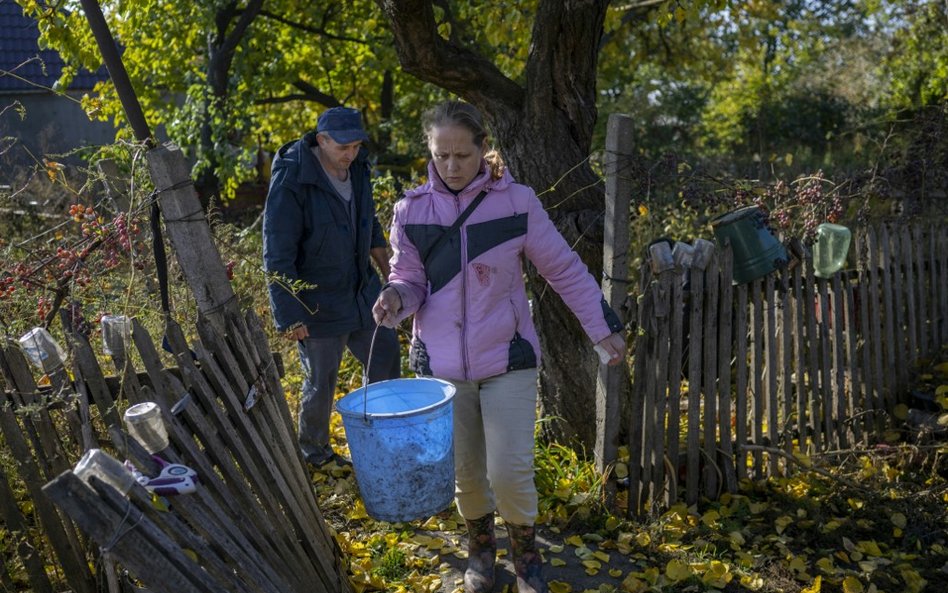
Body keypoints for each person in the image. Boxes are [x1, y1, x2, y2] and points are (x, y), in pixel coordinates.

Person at [372, 101, 625, 593]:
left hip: (507, 357)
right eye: (440, 155)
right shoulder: (411, 209)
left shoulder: (516, 202)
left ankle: (527, 555)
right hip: (440, 366)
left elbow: (564, 269)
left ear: (483, 149)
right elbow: (409, 279)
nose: (449, 166)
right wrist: (394, 298)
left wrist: (602, 327)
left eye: (461, 155)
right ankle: (481, 551)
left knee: (508, 471)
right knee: (466, 472)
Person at [263, 106, 400, 470]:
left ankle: (383, 439)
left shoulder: (358, 168)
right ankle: (316, 455)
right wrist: (289, 313)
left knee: (385, 357)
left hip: (361, 292)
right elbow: (277, 250)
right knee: (321, 382)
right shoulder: (293, 178)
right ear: (321, 140)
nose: (350, 153)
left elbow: (368, 223)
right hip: (316, 302)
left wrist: (389, 274)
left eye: (356, 145)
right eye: (343, 147)